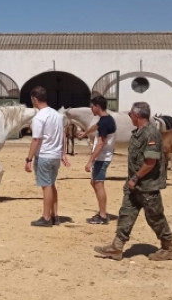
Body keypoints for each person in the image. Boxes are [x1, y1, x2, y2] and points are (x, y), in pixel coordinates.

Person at [94, 101, 172, 261]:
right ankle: (116, 248)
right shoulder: (138, 132)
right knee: (126, 214)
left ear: (137, 116)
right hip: (134, 185)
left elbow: (150, 161)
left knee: (155, 217)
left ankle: (168, 248)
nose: (130, 117)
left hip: (147, 185)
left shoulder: (150, 133)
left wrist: (136, 177)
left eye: (131, 114)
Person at [25, 86, 70, 227]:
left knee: (46, 186)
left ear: (34, 99)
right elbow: (63, 135)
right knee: (51, 184)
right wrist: (63, 152)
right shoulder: (57, 115)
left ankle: (46, 217)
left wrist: (29, 159)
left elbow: (36, 139)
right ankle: (55, 215)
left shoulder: (39, 117)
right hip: (55, 155)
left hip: (44, 155)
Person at [80, 95, 116, 225]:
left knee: (98, 184)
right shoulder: (105, 119)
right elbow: (96, 126)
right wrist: (85, 133)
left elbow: (101, 143)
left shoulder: (105, 122)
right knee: (94, 182)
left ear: (98, 107)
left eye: (92, 106)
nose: (91, 109)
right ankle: (102, 212)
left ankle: (102, 215)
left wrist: (90, 161)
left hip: (102, 157)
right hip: (102, 157)